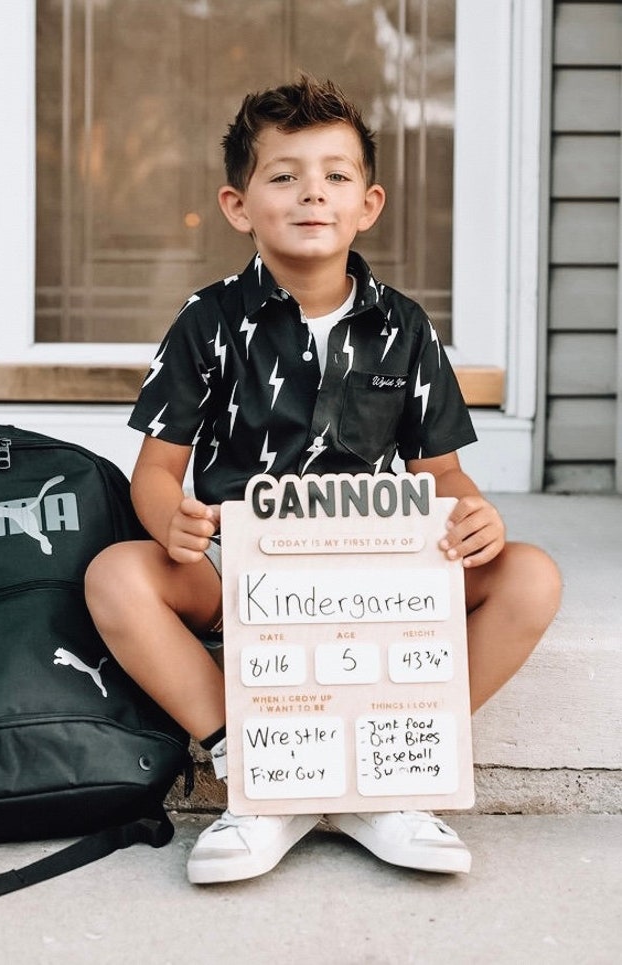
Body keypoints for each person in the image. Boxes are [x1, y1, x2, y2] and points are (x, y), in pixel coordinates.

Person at [85, 76, 562, 883]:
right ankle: (263, 772)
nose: (313, 192)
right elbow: (158, 471)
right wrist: (173, 520)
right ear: (239, 205)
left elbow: (442, 474)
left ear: (368, 204)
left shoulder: (405, 327)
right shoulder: (209, 319)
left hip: (379, 578)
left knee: (533, 576)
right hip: (243, 571)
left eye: (336, 175)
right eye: (285, 175)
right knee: (115, 576)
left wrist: (474, 514)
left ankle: (393, 770)